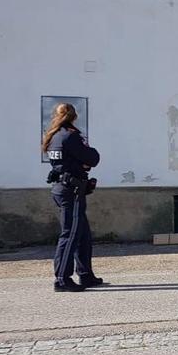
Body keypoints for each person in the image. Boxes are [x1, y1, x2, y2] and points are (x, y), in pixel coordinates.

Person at [42, 103, 103, 292]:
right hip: (72, 191)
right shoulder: (70, 136)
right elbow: (92, 158)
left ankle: (85, 275)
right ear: (74, 116)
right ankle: (62, 279)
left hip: (62, 187)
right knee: (70, 234)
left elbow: (64, 162)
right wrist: (84, 162)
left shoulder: (53, 135)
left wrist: (80, 164)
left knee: (82, 233)